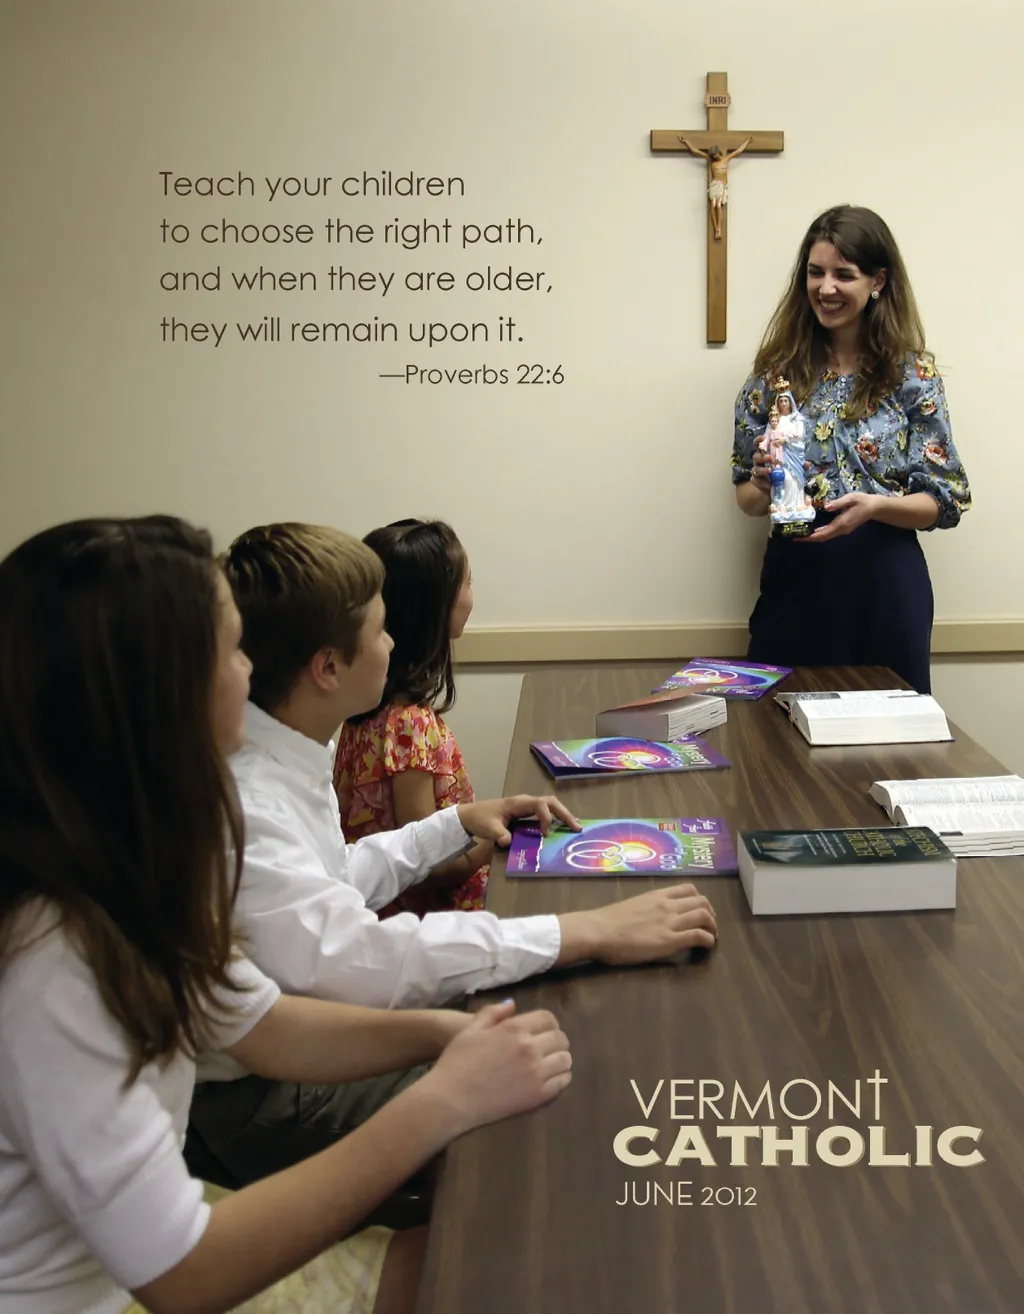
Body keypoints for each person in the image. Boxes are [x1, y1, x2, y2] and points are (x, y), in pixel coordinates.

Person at [0, 515, 573, 1314]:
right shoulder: (51, 956)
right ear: (159, 696)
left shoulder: (130, 866)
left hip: (128, 1261)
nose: (249, 671)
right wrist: (441, 1101)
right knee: (490, 1259)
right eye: (231, 650)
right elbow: (184, 1276)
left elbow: (261, 1022)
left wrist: (445, 1036)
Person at [186, 522, 717, 1199]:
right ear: (328, 668)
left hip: (306, 1034)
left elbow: (332, 880)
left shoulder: (292, 745)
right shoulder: (251, 799)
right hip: (265, 1098)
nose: (391, 643)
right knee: (561, 1085)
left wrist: (454, 823)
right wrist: (582, 932)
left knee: (555, 1032)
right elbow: (357, 963)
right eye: (379, 630)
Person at [731, 204, 972, 693]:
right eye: (815, 272)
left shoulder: (913, 377)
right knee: (777, 731)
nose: (826, 288)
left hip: (884, 583)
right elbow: (748, 501)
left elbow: (945, 501)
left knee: (890, 733)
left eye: (844, 275)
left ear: (877, 281)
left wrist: (876, 507)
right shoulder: (775, 374)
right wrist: (762, 481)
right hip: (795, 580)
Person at [334, 519, 489, 917]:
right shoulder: (408, 724)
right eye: (468, 583)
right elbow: (431, 866)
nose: (472, 596)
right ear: (434, 606)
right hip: (429, 921)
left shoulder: (358, 713)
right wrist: (499, 835)